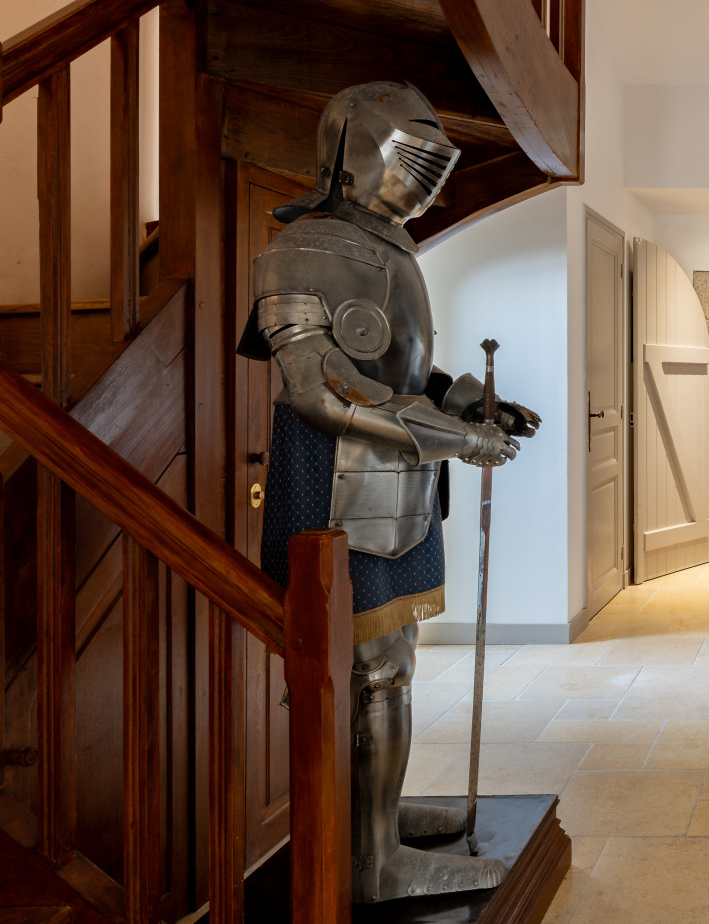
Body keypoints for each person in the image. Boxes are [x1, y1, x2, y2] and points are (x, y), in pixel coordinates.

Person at [237, 81, 541, 901]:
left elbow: (392, 372)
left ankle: (380, 822)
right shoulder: (308, 248)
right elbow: (321, 392)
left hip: (393, 485)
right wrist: (462, 439)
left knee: (388, 666)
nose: (430, 177)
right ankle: (373, 865)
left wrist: (468, 403)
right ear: (356, 154)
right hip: (334, 492)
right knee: (374, 673)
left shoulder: (387, 248)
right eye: (415, 157)